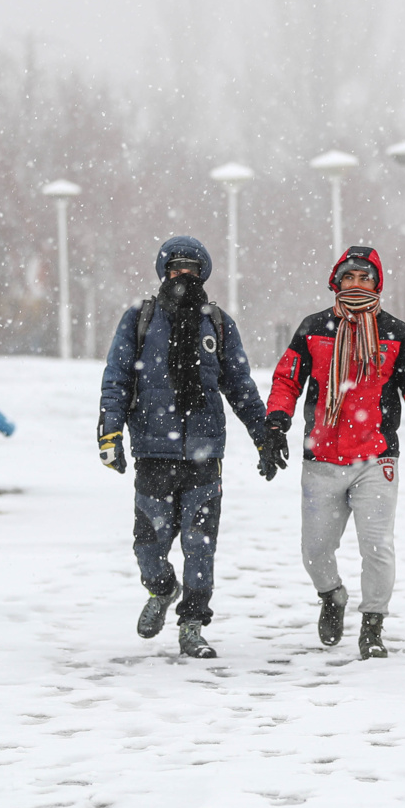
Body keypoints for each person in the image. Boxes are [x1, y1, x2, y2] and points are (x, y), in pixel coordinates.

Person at [99, 235, 277, 659]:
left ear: (203, 274)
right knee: (149, 545)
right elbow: (117, 380)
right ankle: (161, 588)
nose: (184, 275)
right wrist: (110, 434)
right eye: (177, 267)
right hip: (152, 452)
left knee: (200, 545)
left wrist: (263, 435)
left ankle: (193, 623)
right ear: (164, 271)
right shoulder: (139, 320)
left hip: (204, 453)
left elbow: (239, 385)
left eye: (192, 269)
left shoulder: (217, 324)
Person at [260, 245, 405, 659]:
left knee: (377, 547)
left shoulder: (396, 333)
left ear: (377, 284)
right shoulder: (313, 328)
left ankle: (373, 626)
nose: (356, 284)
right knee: (315, 550)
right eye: (349, 277)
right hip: (320, 458)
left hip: (376, 458)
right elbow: (286, 381)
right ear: (335, 282)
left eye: (365, 278)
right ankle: (332, 595)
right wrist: (275, 424)